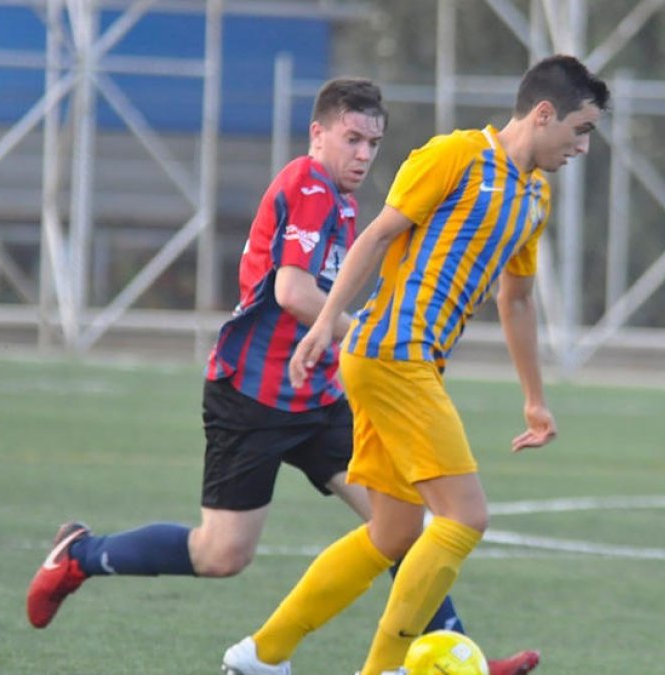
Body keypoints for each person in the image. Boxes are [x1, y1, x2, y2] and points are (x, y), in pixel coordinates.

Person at [24, 76, 539, 675]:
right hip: (254, 395)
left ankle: (451, 655)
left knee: (398, 523)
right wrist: (369, 335)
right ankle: (82, 555)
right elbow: (292, 292)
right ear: (318, 134)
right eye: (352, 139)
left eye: (373, 143)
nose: (364, 155)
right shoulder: (308, 185)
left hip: (319, 396)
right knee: (221, 554)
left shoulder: (342, 200)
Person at [220, 54, 610, 675]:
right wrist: (325, 322)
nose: (583, 147)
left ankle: (262, 654)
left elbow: (517, 299)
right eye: (580, 129)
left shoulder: (536, 195)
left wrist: (534, 399)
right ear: (543, 114)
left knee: (394, 533)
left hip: (406, 362)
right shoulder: (454, 156)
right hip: (391, 354)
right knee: (465, 516)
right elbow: (377, 236)